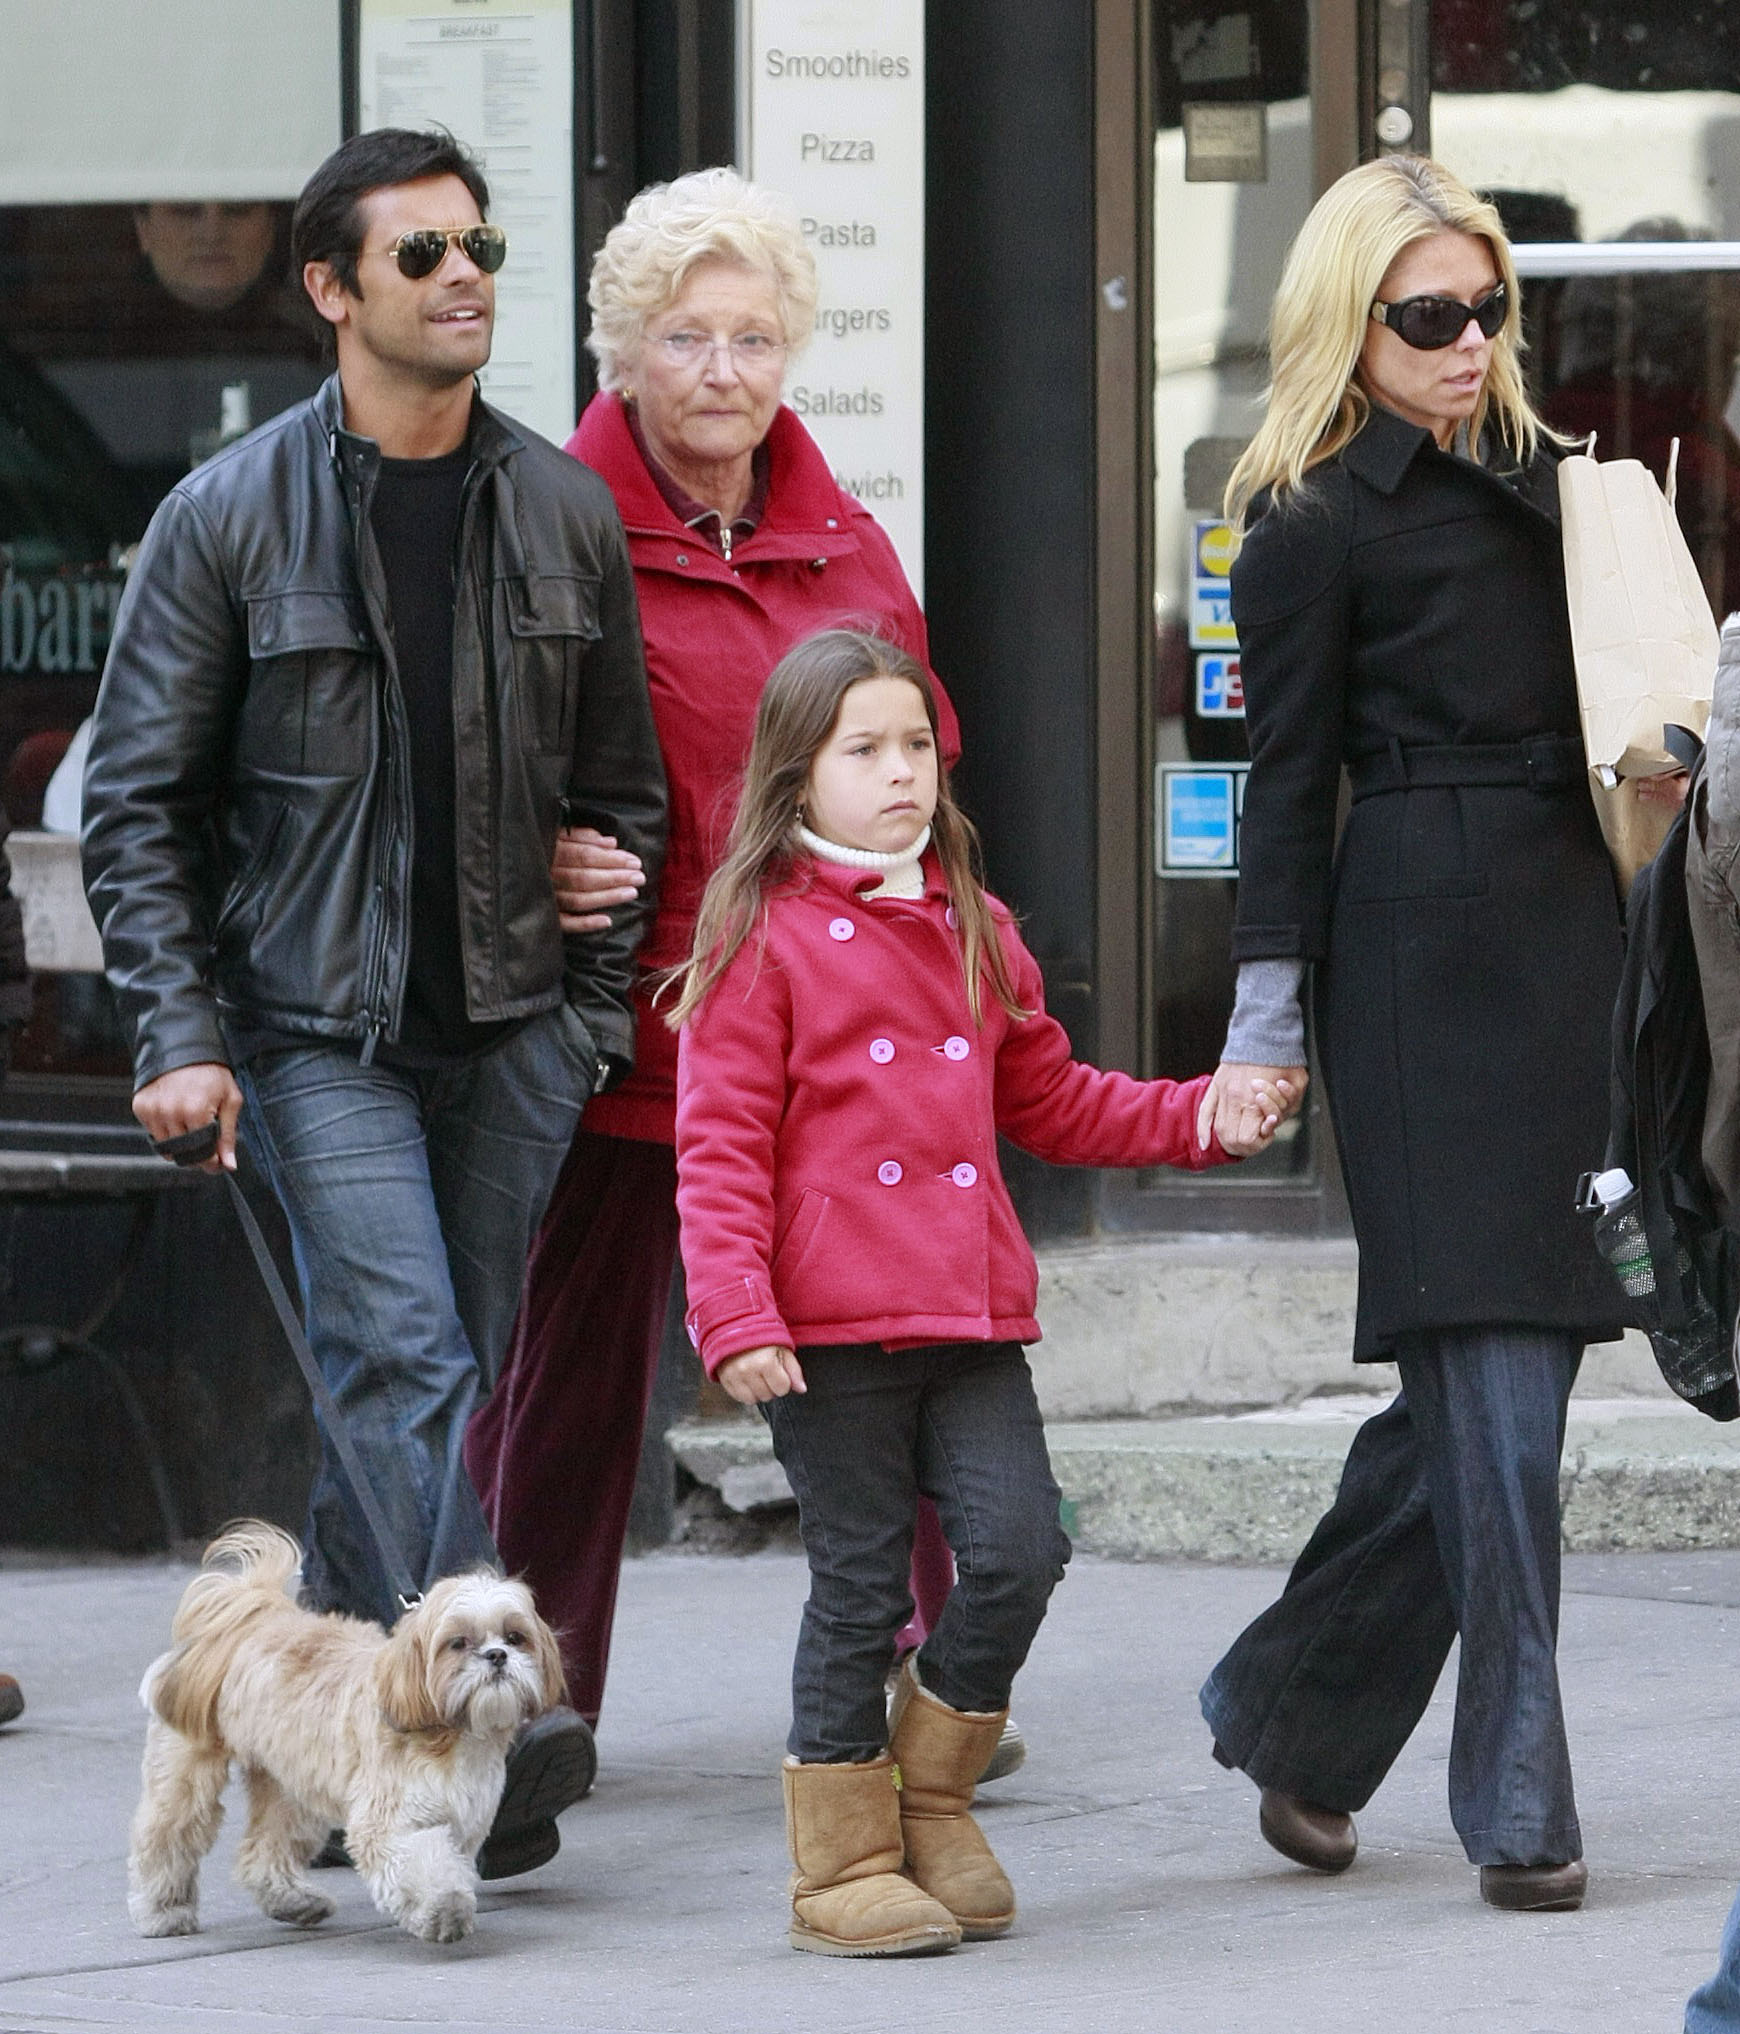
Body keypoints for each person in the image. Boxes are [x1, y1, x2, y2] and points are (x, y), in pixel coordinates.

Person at [80, 127, 667, 1881]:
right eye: (420, 254)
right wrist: (179, 1032)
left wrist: (592, 997)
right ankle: (495, 1729)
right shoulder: (229, 515)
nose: (465, 272)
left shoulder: (562, 504)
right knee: (407, 1355)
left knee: (407, 1385)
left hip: (510, 1032)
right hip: (309, 1030)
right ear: (334, 292)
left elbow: (623, 794)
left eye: (478, 241)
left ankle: (320, 1746)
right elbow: (138, 802)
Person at [465, 166, 977, 1746]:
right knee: (568, 1385)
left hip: (831, 1031)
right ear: (626, 348)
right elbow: (475, 753)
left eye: (754, 338)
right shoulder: (547, 517)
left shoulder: (844, 540)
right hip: (623, 1026)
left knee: (882, 1353)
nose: (722, 372)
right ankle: (528, 1701)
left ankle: (932, 1673)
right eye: (687, 337)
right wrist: (536, 848)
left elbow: (923, 742)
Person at [670, 627, 1279, 1955]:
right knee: (860, 1581)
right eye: (865, 749)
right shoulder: (761, 939)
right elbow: (717, 1153)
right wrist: (735, 1315)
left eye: (919, 749)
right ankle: (838, 1865)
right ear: (794, 776)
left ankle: (931, 1793)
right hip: (825, 1331)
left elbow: (1052, 1098)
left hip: (968, 1311)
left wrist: (1198, 1118)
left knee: (1018, 1547)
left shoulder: (977, 927)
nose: (902, 774)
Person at [1195, 154, 1628, 1914]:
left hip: (1575, 939)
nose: (1467, 343)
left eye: (1487, 310)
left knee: (1484, 1389)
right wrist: (1264, 1024)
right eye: (1427, 316)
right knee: (1496, 1388)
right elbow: (1283, 786)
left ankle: (1292, 1715)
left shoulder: (1568, 485)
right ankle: (1519, 1796)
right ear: (1349, 327)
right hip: (1413, 958)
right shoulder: (1304, 520)